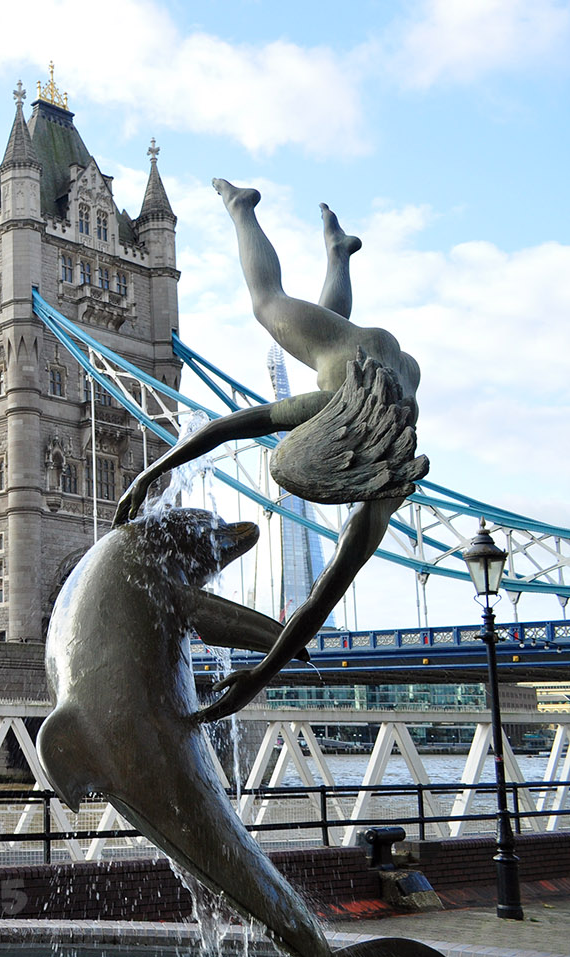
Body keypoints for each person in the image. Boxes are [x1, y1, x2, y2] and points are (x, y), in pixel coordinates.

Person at [115, 179, 428, 722]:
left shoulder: (383, 468)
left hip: (391, 371)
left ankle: (331, 251)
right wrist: (149, 475)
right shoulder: (343, 418)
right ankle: (244, 209)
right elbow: (227, 428)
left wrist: (260, 675)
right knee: (271, 306)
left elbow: (319, 601)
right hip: (363, 361)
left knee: (314, 334)